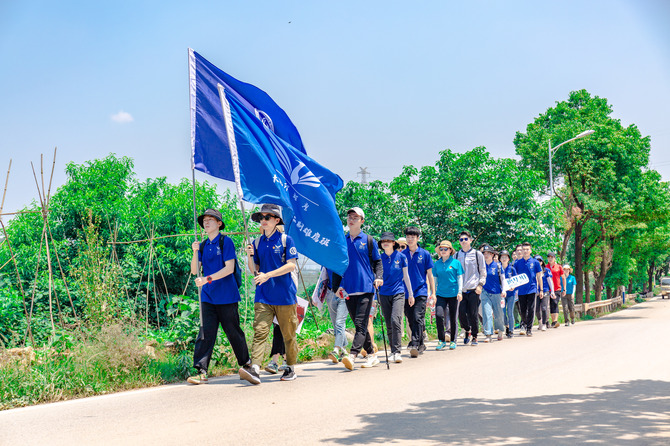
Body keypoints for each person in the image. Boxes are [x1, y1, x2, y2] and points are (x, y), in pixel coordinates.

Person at [187, 209, 253, 385]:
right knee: (206, 332)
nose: (206, 223)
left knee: (233, 331)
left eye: (211, 220)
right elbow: (194, 270)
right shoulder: (202, 245)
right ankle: (201, 371)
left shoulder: (225, 242)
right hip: (208, 296)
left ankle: (246, 364)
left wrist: (207, 278)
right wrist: (194, 252)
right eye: (204, 220)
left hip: (227, 296)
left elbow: (229, 269)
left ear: (219, 224)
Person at [241, 204, 300, 384]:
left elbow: (291, 265)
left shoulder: (285, 240)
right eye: (261, 217)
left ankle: (290, 366)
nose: (263, 220)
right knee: (260, 331)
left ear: (276, 220)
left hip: (284, 295)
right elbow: (254, 270)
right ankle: (256, 368)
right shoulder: (257, 243)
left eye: (268, 217)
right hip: (263, 295)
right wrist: (250, 256)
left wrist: (269, 275)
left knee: (288, 334)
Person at [332, 207, 383, 371]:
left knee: (361, 325)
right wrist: (336, 286)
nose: (351, 219)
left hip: (366, 288)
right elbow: (337, 266)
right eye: (349, 216)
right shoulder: (342, 241)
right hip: (348, 290)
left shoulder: (368, 240)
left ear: (362, 220)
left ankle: (352, 356)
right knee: (358, 324)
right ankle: (372, 355)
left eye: (355, 217)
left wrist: (379, 277)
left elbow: (377, 262)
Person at [378, 232, 414, 363]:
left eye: (388, 240)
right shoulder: (379, 258)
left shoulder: (401, 257)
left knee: (395, 320)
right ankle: (393, 351)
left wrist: (410, 294)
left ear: (394, 243)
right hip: (383, 293)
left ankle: (397, 351)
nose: (385, 243)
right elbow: (375, 276)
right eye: (383, 241)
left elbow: (406, 277)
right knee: (388, 323)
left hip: (398, 292)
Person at [402, 226, 436, 357]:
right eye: (408, 237)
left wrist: (432, 292)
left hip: (421, 291)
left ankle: (415, 343)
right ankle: (421, 344)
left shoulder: (425, 254)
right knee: (411, 319)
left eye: (412, 237)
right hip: (405, 292)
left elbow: (430, 275)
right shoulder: (402, 254)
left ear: (417, 238)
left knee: (418, 317)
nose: (410, 240)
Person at [456, 231, 486, 346]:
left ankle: (474, 336)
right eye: (461, 239)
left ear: (470, 240)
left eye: (465, 239)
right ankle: (467, 330)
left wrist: (480, 285)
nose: (463, 241)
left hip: (474, 289)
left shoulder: (477, 254)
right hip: (461, 290)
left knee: (473, 314)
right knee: (461, 313)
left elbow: (483, 272)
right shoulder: (457, 255)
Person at [433, 240, 463, 350]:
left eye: (446, 249)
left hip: (454, 294)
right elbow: (435, 279)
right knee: (439, 316)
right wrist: (433, 293)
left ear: (450, 250)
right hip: (440, 293)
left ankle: (453, 340)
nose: (443, 251)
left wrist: (460, 292)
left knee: (453, 317)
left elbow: (460, 278)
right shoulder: (437, 264)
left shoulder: (456, 263)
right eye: (441, 249)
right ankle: (441, 340)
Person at [513, 242, 544, 336]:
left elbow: (539, 276)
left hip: (532, 288)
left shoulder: (535, 262)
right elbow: (514, 277)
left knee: (531, 309)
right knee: (522, 310)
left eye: (527, 249)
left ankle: (529, 328)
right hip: (521, 290)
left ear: (530, 250)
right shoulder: (517, 263)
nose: (525, 251)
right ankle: (525, 324)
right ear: (521, 251)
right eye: (524, 249)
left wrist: (541, 290)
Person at [480, 245, 505, 342]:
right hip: (484, 292)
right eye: (484, 254)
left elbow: (503, 279)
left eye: (488, 254)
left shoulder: (498, 266)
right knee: (486, 313)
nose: (486, 255)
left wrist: (504, 290)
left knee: (498, 314)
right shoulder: (481, 266)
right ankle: (488, 334)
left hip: (496, 292)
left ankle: (500, 330)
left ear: (492, 255)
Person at [325, 269, 349, 363]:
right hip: (331, 292)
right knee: (336, 324)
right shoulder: (327, 259)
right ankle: (344, 351)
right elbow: (324, 277)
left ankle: (336, 350)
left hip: (344, 293)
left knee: (339, 323)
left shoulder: (347, 256)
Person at [499, 250, 516, 338]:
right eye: (502, 257)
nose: (504, 258)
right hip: (501, 295)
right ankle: (506, 326)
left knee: (510, 311)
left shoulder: (512, 269)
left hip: (511, 294)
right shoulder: (498, 268)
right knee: (502, 313)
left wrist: (513, 287)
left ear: (509, 259)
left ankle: (511, 330)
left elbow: (516, 280)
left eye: (506, 257)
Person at [535, 255, 554, 332]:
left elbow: (550, 280)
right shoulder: (532, 270)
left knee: (544, 307)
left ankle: (544, 323)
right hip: (535, 292)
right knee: (536, 309)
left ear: (542, 262)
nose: (538, 262)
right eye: (537, 261)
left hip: (545, 290)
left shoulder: (546, 270)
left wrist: (552, 291)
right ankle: (539, 321)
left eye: (540, 261)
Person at [547, 252, 565, 328]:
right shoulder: (546, 267)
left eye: (552, 257)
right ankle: (553, 321)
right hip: (548, 289)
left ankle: (555, 321)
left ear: (554, 258)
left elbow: (563, 278)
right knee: (551, 305)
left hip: (557, 288)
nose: (550, 259)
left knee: (555, 303)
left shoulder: (559, 267)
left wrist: (564, 289)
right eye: (549, 257)